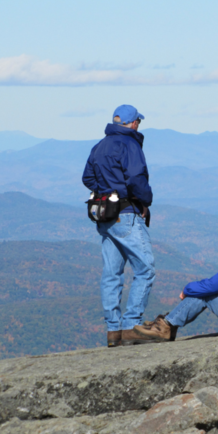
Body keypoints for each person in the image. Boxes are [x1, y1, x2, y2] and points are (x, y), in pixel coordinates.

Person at [82, 105, 155, 347]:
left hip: (105, 217)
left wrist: (107, 190)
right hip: (126, 214)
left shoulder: (100, 145)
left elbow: (87, 178)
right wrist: (144, 201)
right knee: (145, 269)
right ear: (133, 123)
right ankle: (130, 326)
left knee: (112, 274)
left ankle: (113, 331)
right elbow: (136, 178)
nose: (138, 126)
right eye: (138, 122)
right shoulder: (130, 144)